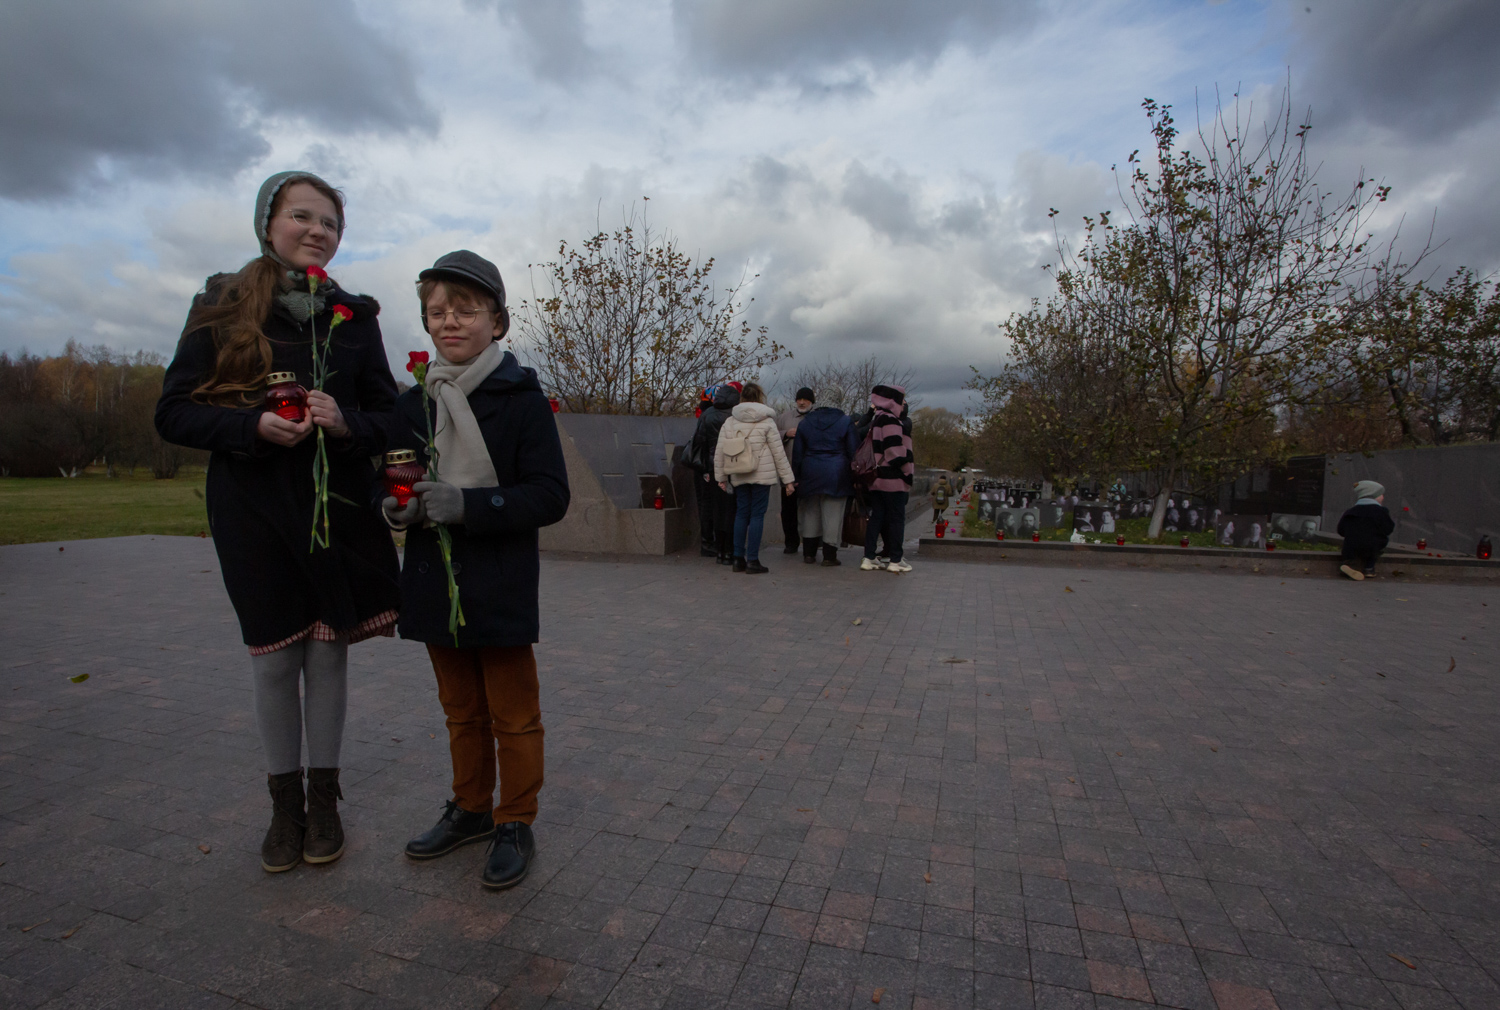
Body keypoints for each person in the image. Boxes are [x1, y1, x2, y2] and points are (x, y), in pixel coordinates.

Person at [155, 171, 401, 874]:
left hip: (335, 511)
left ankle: (324, 803)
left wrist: (345, 422)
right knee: (273, 661)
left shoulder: (354, 317)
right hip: (254, 511)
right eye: (302, 216)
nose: (318, 231)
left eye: (330, 223)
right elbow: (173, 412)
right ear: (268, 223)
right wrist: (250, 427)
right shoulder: (223, 305)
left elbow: (390, 417)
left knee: (327, 655)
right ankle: (283, 807)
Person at [383, 250, 570, 890]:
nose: (450, 322)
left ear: (497, 321)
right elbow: (395, 474)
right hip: (434, 579)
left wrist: (468, 505)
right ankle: (470, 809)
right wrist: (397, 506)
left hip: (499, 579)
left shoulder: (522, 399)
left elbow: (550, 496)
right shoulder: (414, 402)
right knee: (460, 711)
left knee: (513, 714)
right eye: (437, 312)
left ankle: (514, 820)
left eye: (465, 310)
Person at [714, 382, 795, 573]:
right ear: (760, 397)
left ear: (742, 397)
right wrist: (788, 480)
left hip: (739, 472)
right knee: (757, 515)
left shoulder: (730, 421)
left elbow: (720, 451)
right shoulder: (767, 422)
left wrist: (721, 478)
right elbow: (778, 453)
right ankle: (752, 560)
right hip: (762, 474)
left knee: (741, 513)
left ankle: (737, 559)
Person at [792, 397, 858, 565]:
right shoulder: (845, 421)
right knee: (833, 514)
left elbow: (797, 453)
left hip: (810, 471)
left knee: (810, 512)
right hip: (837, 473)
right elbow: (853, 451)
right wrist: (855, 476)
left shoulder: (805, 422)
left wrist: (796, 477)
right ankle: (829, 556)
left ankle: (809, 554)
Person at [861, 385, 914, 572]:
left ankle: (869, 557)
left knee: (877, 517)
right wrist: (907, 471)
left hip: (877, 479)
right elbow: (893, 450)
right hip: (893, 478)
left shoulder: (877, 419)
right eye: (902, 399)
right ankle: (895, 560)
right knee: (896, 520)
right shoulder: (891, 420)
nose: (904, 403)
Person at [688, 382, 741, 563]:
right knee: (731, 508)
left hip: (710, 467)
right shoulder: (736, 415)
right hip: (733, 466)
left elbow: (699, 442)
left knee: (711, 507)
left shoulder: (707, 414)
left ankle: (712, 546)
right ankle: (729, 547)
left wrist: (704, 469)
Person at [776, 387, 815, 554]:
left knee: (810, 510)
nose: (802, 402)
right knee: (788, 510)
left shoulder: (816, 417)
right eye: (799, 399)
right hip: (788, 472)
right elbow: (772, 435)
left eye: (805, 399)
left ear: (812, 402)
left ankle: (811, 543)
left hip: (810, 472)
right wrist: (786, 433)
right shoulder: (784, 417)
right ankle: (791, 543)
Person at [1337, 480, 1394, 580]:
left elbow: (1341, 530)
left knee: (1350, 547)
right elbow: (1388, 529)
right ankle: (1369, 568)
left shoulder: (1350, 511)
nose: (1383, 497)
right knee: (1377, 544)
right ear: (1373, 496)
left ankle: (1349, 564)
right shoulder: (1381, 512)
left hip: (1351, 546)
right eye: (1380, 495)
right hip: (1372, 546)